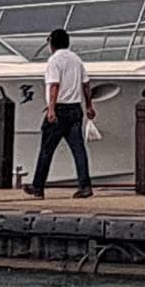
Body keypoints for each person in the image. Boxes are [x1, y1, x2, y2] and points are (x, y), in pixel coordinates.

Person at [23, 28, 96, 198]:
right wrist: (89, 106)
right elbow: (86, 85)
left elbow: (54, 85)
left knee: (46, 149)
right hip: (75, 108)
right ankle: (85, 185)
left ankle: (38, 186)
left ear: (52, 43)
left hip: (60, 109)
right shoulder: (76, 60)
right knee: (79, 150)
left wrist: (51, 108)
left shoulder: (54, 61)